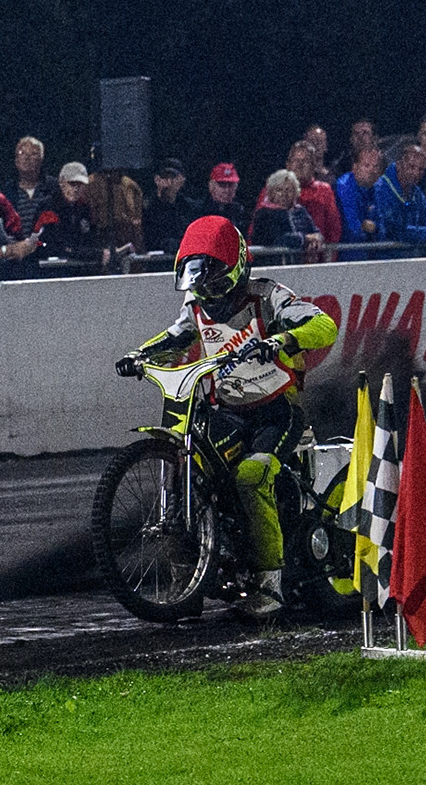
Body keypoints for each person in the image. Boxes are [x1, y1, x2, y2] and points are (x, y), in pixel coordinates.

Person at [114, 216, 337, 617]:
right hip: (228, 412)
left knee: (251, 477)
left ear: (235, 266)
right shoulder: (196, 306)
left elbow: (323, 324)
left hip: (276, 413)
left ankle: (271, 584)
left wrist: (283, 339)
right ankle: (191, 578)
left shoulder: (267, 296)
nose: (206, 289)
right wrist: (139, 355)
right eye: (197, 279)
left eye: (213, 278)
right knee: (198, 476)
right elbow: (176, 336)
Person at [375, 141, 426, 246]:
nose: (416, 173)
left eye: (421, 169)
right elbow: (393, 230)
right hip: (384, 256)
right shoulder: (380, 189)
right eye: (411, 167)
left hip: (411, 256)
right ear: (399, 164)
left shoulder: (416, 192)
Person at [36, 163, 108, 265]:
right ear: (61, 183)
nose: (76, 189)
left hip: (81, 268)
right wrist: (92, 254)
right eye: (72, 184)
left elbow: (91, 239)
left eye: (80, 185)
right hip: (51, 268)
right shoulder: (48, 207)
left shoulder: (85, 208)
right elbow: (49, 244)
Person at [249, 169, 322, 258]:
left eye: (289, 190)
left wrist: (316, 238)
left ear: (295, 192)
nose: (284, 194)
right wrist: (305, 238)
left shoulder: (300, 211)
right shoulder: (264, 213)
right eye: (279, 190)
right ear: (271, 193)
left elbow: (315, 231)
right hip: (271, 265)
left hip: (298, 265)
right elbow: (276, 239)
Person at [286, 141, 341, 256]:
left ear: (314, 166)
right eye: (296, 160)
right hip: (284, 260)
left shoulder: (324, 191)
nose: (299, 165)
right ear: (288, 164)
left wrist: (330, 260)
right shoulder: (274, 189)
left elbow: (334, 230)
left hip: (318, 260)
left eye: (305, 161)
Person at [143, 158, 200, 253]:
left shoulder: (189, 207)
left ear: (182, 180)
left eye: (173, 178)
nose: (169, 182)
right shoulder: (148, 207)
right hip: (156, 263)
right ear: (157, 179)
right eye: (165, 177)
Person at [334, 147, 383, 250]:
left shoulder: (380, 186)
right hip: (348, 251)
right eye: (367, 165)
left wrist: (376, 228)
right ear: (355, 167)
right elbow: (353, 229)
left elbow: (387, 225)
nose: (372, 171)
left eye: (376, 166)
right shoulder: (344, 187)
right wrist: (374, 230)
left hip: (374, 251)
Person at [7, 136, 57, 234]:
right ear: (16, 160)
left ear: (41, 159)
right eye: (22, 153)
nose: (27, 157)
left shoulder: (54, 188)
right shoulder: (8, 191)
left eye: (33, 153)